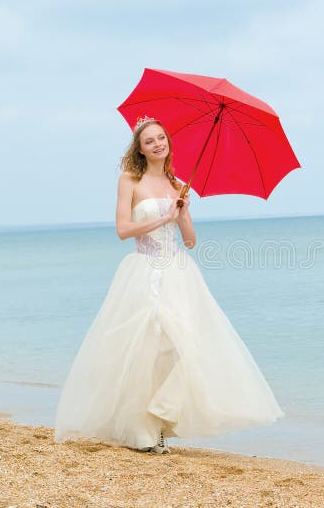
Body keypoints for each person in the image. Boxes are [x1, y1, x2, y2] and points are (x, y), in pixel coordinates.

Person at [53, 116, 284, 454]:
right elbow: (122, 230)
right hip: (142, 270)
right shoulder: (129, 180)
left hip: (178, 271)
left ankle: (160, 415)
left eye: (162, 137)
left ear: (168, 143)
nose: (158, 143)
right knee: (143, 347)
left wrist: (184, 214)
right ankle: (143, 429)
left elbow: (189, 241)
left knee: (183, 346)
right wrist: (162, 218)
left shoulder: (178, 185)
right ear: (141, 149)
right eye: (150, 141)